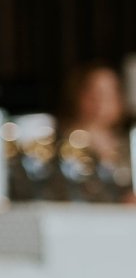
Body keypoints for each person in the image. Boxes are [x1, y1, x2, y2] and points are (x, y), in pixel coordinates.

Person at [56, 62, 135, 203]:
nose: (101, 102)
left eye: (109, 93)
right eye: (93, 93)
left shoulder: (129, 144)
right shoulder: (62, 144)